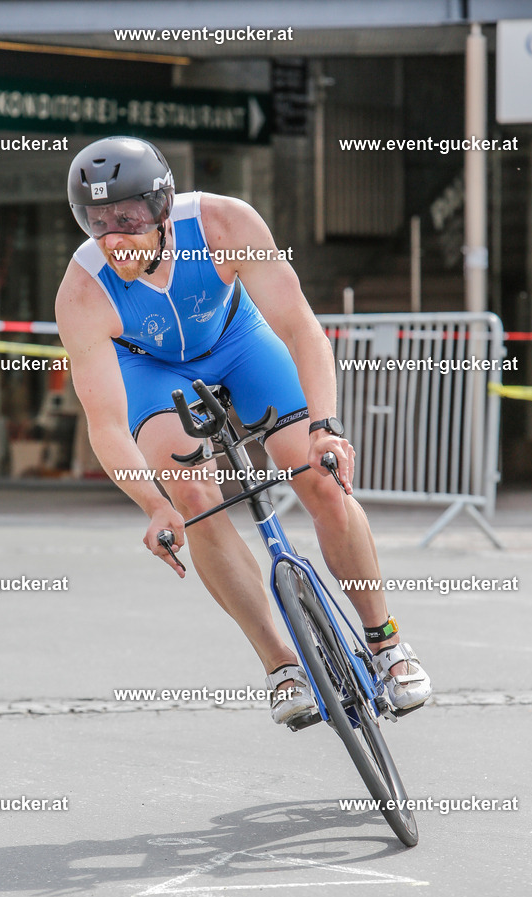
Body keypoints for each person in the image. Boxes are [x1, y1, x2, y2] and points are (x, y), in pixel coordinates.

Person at [55, 136, 431, 724]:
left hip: (238, 342)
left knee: (320, 478)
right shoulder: (83, 292)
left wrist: (325, 429)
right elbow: (105, 423)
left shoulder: (224, 224)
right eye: (96, 221)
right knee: (194, 499)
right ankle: (280, 664)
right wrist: (154, 506)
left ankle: (385, 642)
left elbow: (300, 327)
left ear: (161, 208)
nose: (112, 236)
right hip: (151, 368)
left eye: (126, 218)